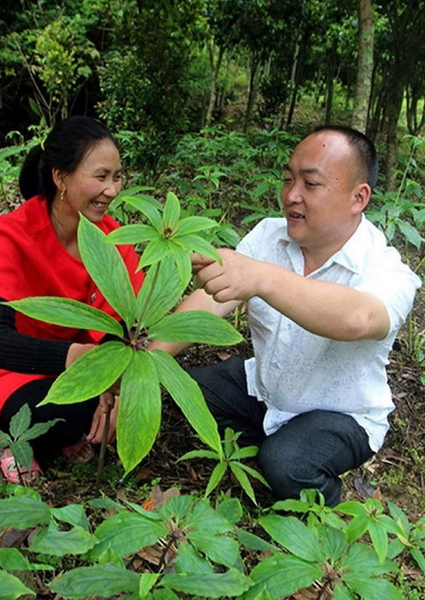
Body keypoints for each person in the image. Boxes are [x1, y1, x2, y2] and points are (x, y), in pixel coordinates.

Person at [151, 125, 421, 506]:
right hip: (264, 389)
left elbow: (359, 318)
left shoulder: (386, 269)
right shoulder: (267, 237)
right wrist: (147, 359)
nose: (291, 196)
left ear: (358, 197)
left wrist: (261, 277)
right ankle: (266, 445)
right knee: (184, 392)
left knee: (286, 464)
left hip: (340, 414)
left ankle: (327, 498)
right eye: (288, 179)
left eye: (311, 185)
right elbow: (211, 303)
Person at [0, 116, 144, 483]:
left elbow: (128, 328)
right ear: (60, 177)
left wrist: (116, 388)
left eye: (117, 177)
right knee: (41, 412)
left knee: (131, 406)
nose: (112, 189)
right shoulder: (10, 234)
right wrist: (73, 356)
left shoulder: (115, 239)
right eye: (100, 177)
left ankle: (65, 434)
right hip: (18, 376)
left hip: (91, 378)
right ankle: (22, 443)